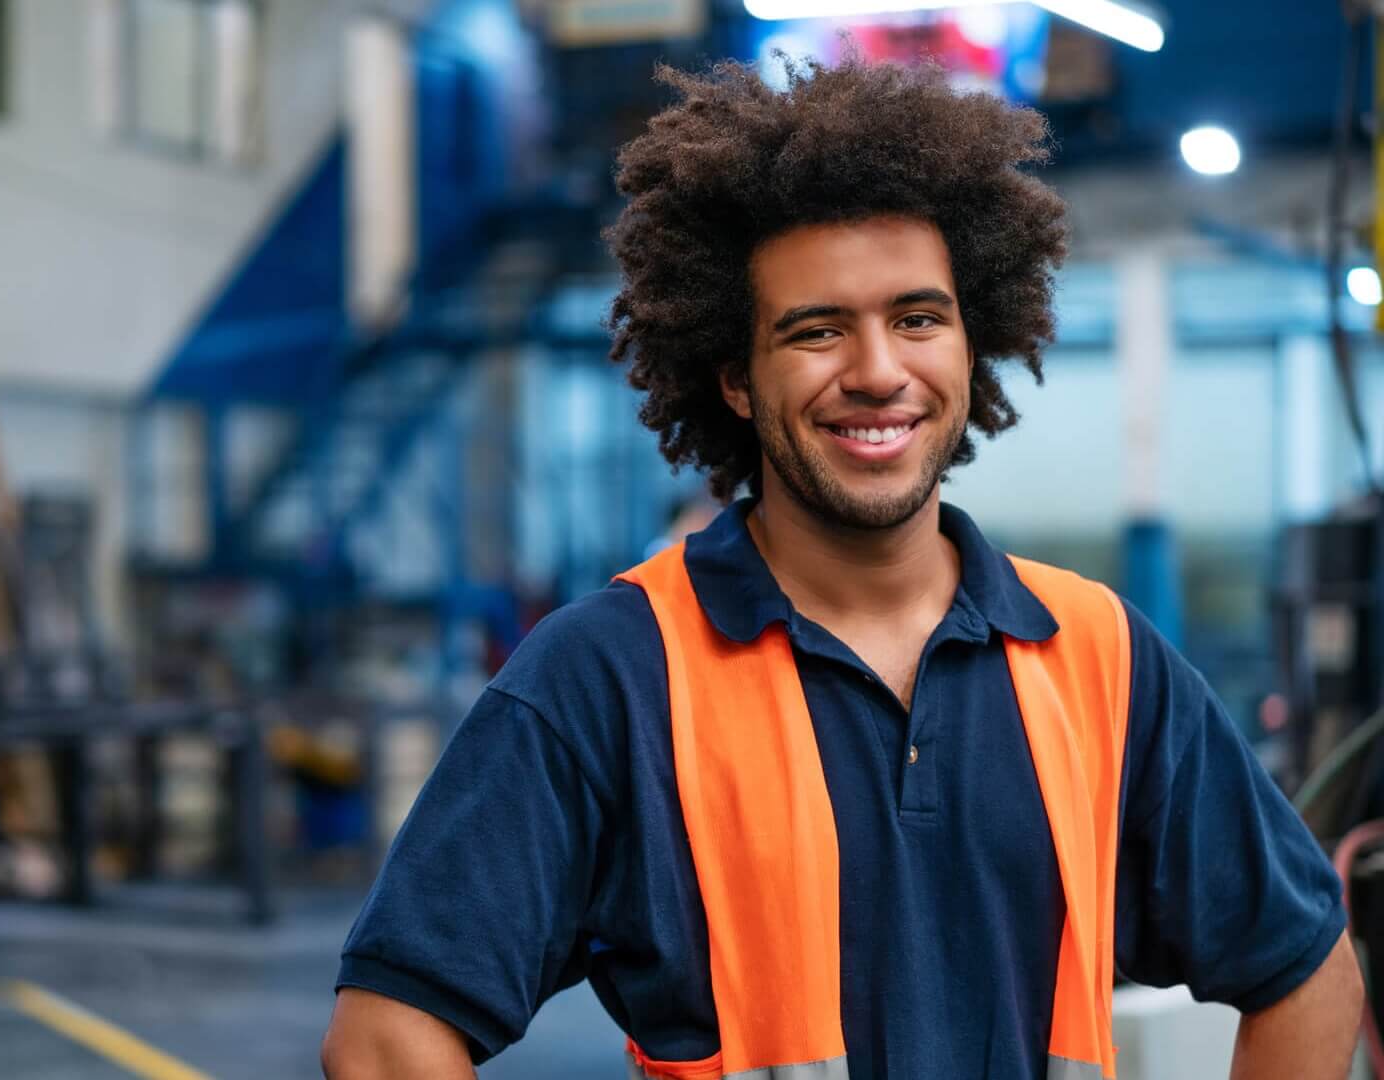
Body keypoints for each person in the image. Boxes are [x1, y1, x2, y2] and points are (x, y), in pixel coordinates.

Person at [321, 55, 1364, 1080]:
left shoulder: (1098, 655)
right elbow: (384, 1039)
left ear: (971, 342)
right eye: (817, 332)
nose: (878, 373)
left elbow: (1308, 967)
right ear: (735, 378)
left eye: (918, 319)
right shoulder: (612, 677)